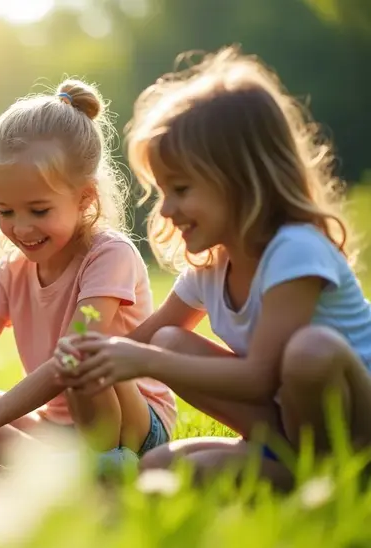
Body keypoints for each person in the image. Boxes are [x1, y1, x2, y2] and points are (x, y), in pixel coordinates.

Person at [57, 46, 371, 489]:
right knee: (157, 457)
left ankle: (335, 475)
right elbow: (141, 343)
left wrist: (143, 359)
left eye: (181, 188)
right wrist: (84, 357)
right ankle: (290, 467)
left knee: (309, 351)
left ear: (243, 178)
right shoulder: (211, 269)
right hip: (287, 431)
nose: (166, 209)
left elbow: (262, 376)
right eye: (163, 190)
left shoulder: (296, 250)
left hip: (356, 429)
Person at [0, 80, 176, 478]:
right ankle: (68, 466)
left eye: (38, 211)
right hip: (60, 426)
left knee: (82, 361)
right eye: (6, 211)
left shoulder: (109, 256)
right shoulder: (11, 271)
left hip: (134, 428)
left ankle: (107, 461)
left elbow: (70, 360)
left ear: (85, 197)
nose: (21, 228)